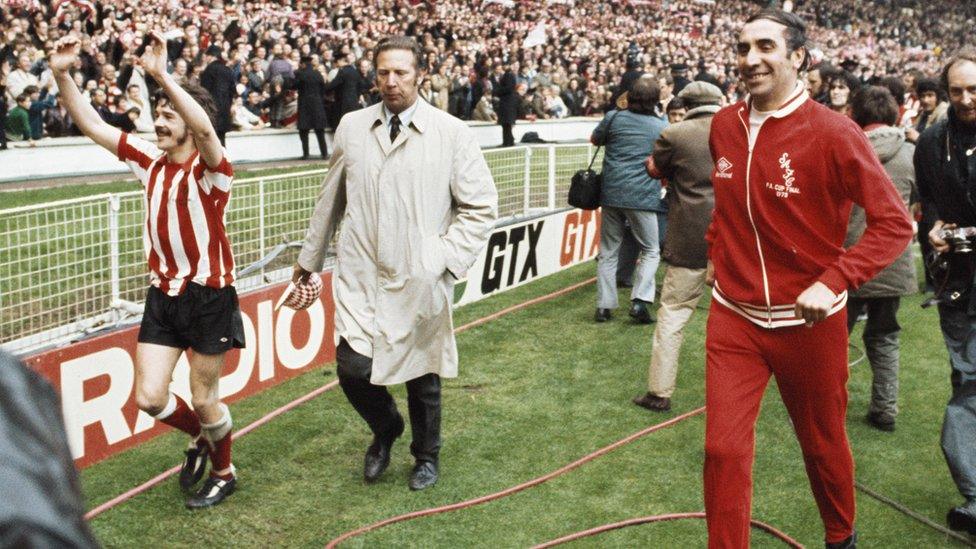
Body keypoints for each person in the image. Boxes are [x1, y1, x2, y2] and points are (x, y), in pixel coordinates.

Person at [704, 10, 913, 549]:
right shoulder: (723, 124)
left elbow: (895, 224)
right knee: (723, 450)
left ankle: (840, 536)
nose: (751, 59)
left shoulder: (835, 132)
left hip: (809, 322)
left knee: (821, 445)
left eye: (766, 46)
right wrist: (715, 253)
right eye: (743, 47)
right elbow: (727, 210)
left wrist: (836, 278)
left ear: (798, 57)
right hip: (734, 318)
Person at [49, 32, 245, 509]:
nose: (158, 121)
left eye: (167, 115)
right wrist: (61, 75)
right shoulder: (149, 162)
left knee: (204, 397)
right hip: (164, 295)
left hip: (209, 296)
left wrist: (163, 75)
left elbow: (203, 132)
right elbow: (92, 122)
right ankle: (206, 437)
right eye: (157, 112)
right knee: (150, 399)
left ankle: (224, 469)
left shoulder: (212, 169)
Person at [293, 36, 497, 491]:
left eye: (401, 72)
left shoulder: (451, 133)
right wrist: (309, 260)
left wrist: (441, 259)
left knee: (422, 374)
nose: (391, 82)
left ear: (420, 74)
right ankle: (386, 429)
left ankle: (426, 456)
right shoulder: (351, 126)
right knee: (352, 366)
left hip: (417, 273)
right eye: (383, 72)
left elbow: (481, 207)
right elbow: (331, 199)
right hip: (361, 271)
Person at [633, 81, 723, 413]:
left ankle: (659, 391)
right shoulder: (742, 130)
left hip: (689, 237)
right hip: (734, 238)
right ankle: (734, 390)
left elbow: (654, 168)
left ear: (686, 103)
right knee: (737, 321)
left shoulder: (677, 134)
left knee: (673, 314)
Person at [916, 47, 976, 536]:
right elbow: (929, 200)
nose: (965, 98)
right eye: (957, 90)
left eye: (974, 89)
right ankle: (975, 493)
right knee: (968, 378)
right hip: (959, 280)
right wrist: (933, 227)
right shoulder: (934, 139)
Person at [844, 86, 918, 432]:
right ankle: (885, 407)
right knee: (885, 336)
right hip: (892, 259)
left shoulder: (845, 147)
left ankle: (827, 402)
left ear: (855, 115)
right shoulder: (911, 154)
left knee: (832, 339)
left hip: (850, 259)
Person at [591, 75, 667, 324]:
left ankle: (604, 306)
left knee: (608, 251)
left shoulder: (613, 117)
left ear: (629, 96)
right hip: (643, 196)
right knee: (651, 249)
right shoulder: (661, 126)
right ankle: (640, 301)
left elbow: (595, 139)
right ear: (656, 100)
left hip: (611, 193)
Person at [290, 55, 329, 159]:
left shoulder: (300, 74)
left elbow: (293, 86)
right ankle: (324, 154)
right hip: (318, 105)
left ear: (302, 64)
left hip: (305, 106)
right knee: (320, 132)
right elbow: (323, 90)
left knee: (304, 132)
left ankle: (306, 154)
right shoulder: (318, 74)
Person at [200, 45, 236, 145]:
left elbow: (204, 92)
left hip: (212, 110)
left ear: (210, 56)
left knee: (212, 141)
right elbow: (233, 90)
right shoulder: (227, 70)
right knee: (222, 140)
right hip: (225, 110)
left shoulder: (208, 71)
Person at [494, 60, 518, 147]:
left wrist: (497, 91)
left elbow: (508, 88)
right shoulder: (508, 75)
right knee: (506, 124)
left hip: (507, 103)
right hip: (507, 102)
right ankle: (509, 141)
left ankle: (507, 142)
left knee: (506, 124)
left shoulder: (509, 75)